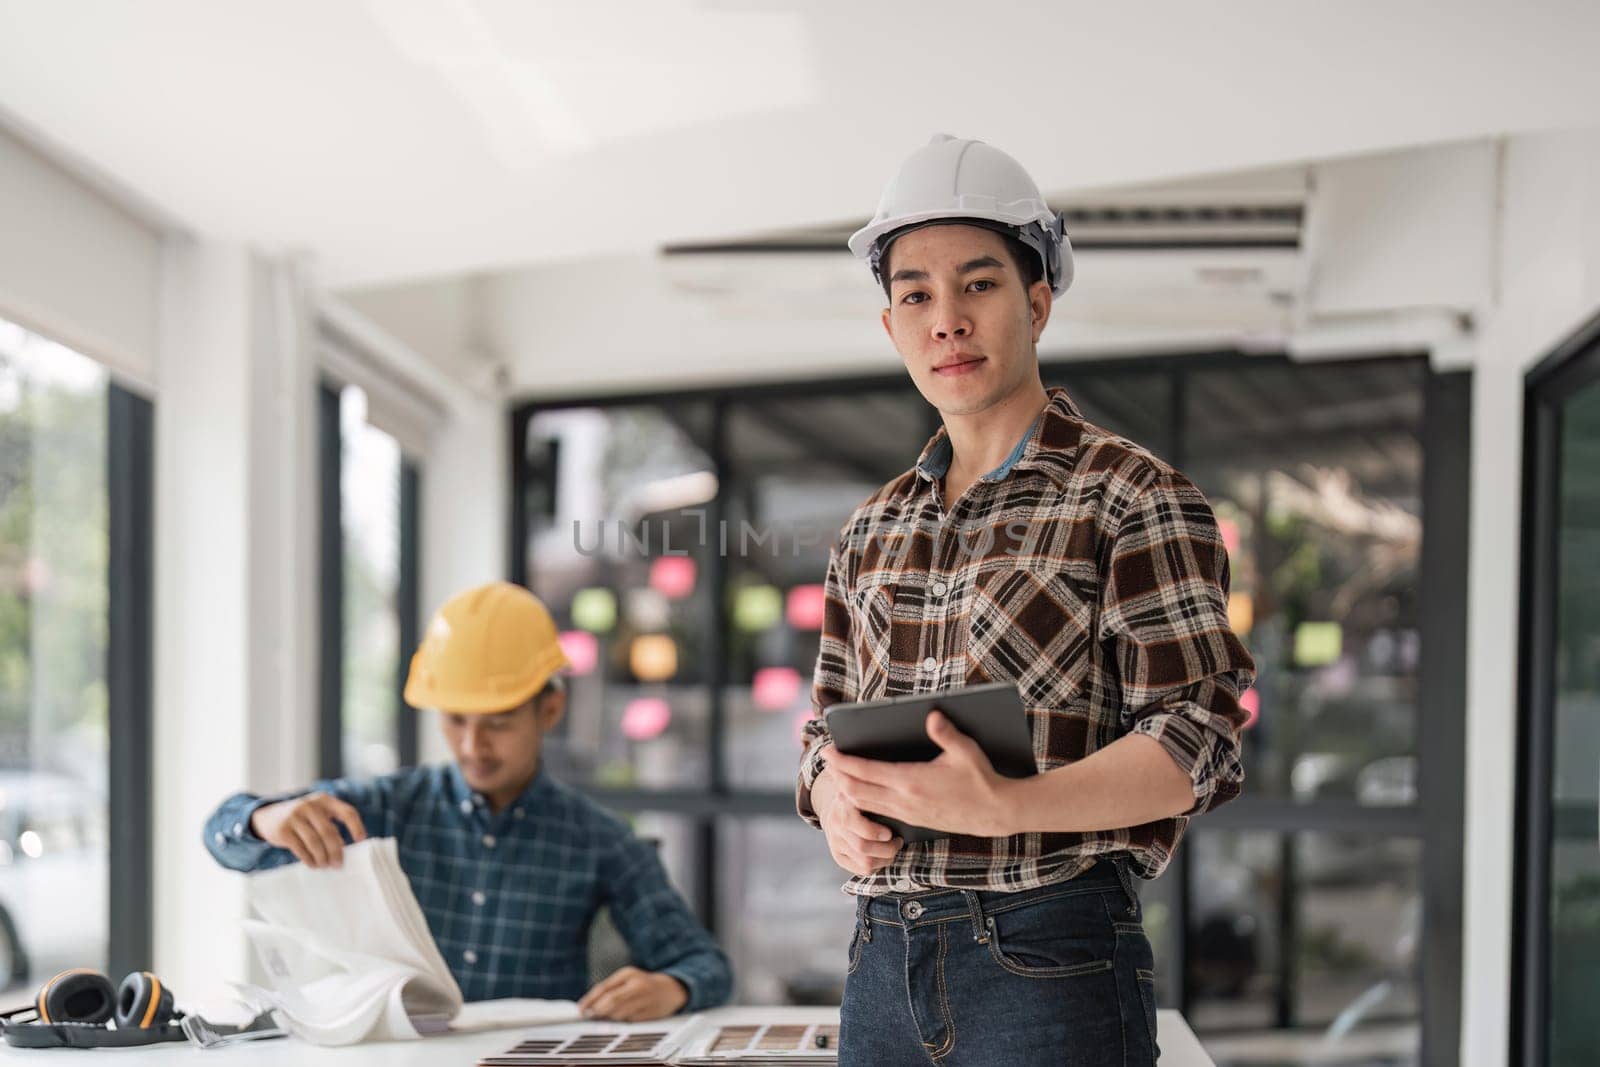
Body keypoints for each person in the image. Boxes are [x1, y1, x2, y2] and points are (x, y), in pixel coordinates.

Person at [796, 134, 1257, 1065]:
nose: (947, 320)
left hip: (1049, 953)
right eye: (916, 295)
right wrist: (828, 794)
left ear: (1038, 302)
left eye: (979, 285)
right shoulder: (871, 527)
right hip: (880, 957)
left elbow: (1196, 738)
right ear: (892, 327)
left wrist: (1011, 804)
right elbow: (823, 727)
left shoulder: (1134, 497)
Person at [204, 580, 731, 1021]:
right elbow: (222, 836)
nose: (473, 747)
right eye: (456, 721)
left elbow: (704, 964)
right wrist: (262, 818)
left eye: (498, 724)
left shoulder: (599, 840)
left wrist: (674, 987)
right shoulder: (388, 808)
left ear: (549, 710)